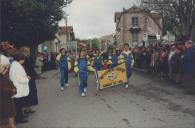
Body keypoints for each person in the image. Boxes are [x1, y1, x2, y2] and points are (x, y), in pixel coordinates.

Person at [9, 52, 30, 123]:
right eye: (23, 59)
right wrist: (27, 78)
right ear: (20, 59)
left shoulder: (15, 65)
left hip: (17, 86)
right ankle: (19, 118)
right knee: (18, 105)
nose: (24, 60)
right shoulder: (17, 66)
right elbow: (20, 78)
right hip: (18, 87)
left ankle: (20, 116)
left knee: (19, 104)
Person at [20, 47, 38, 115]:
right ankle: (27, 109)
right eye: (27, 51)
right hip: (28, 78)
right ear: (24, 52)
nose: (28, 53)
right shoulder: (23, 59)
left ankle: (29, 108)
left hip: (31, 78)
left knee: (31, 94)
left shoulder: (27, 58)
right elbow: (26, 69)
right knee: (28, 94)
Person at [0, 54, 16, 128]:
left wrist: (14, 89)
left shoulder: (3, 75)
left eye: (7, 68)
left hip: (7, 103)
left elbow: (11, 84)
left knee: (10, 123)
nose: (6, 70)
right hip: (4, 104)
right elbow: (2, 91)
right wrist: (12, 91)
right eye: (4, 67)